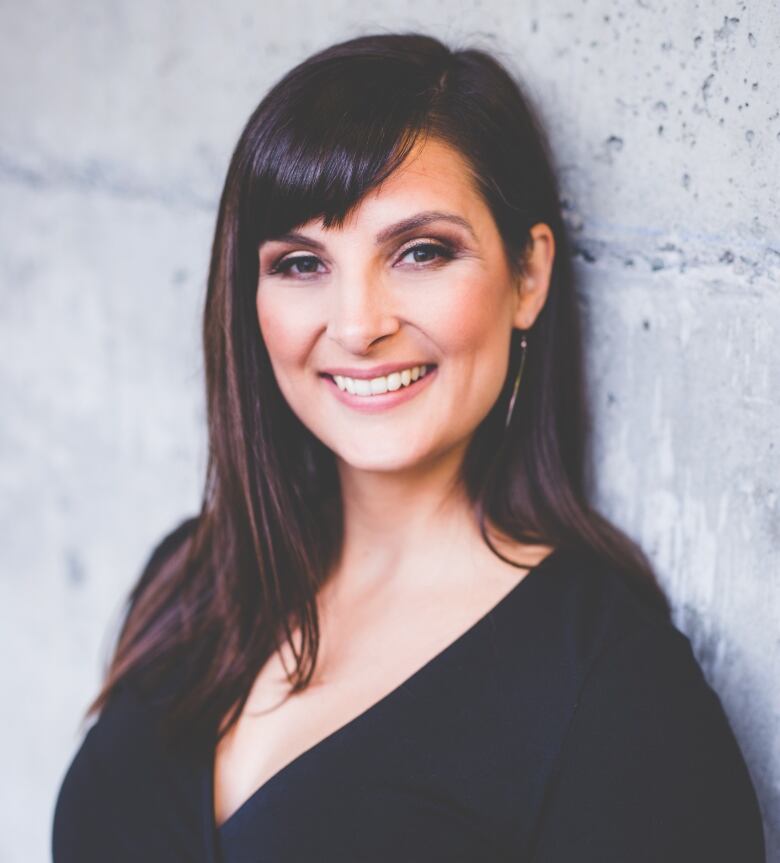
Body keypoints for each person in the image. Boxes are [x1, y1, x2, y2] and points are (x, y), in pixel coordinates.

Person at [51, 31, 766, 862]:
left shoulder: (616, 691)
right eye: (302, 263)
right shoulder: (194, 578)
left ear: (528, 275)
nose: (358, 325)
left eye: (420, 251)